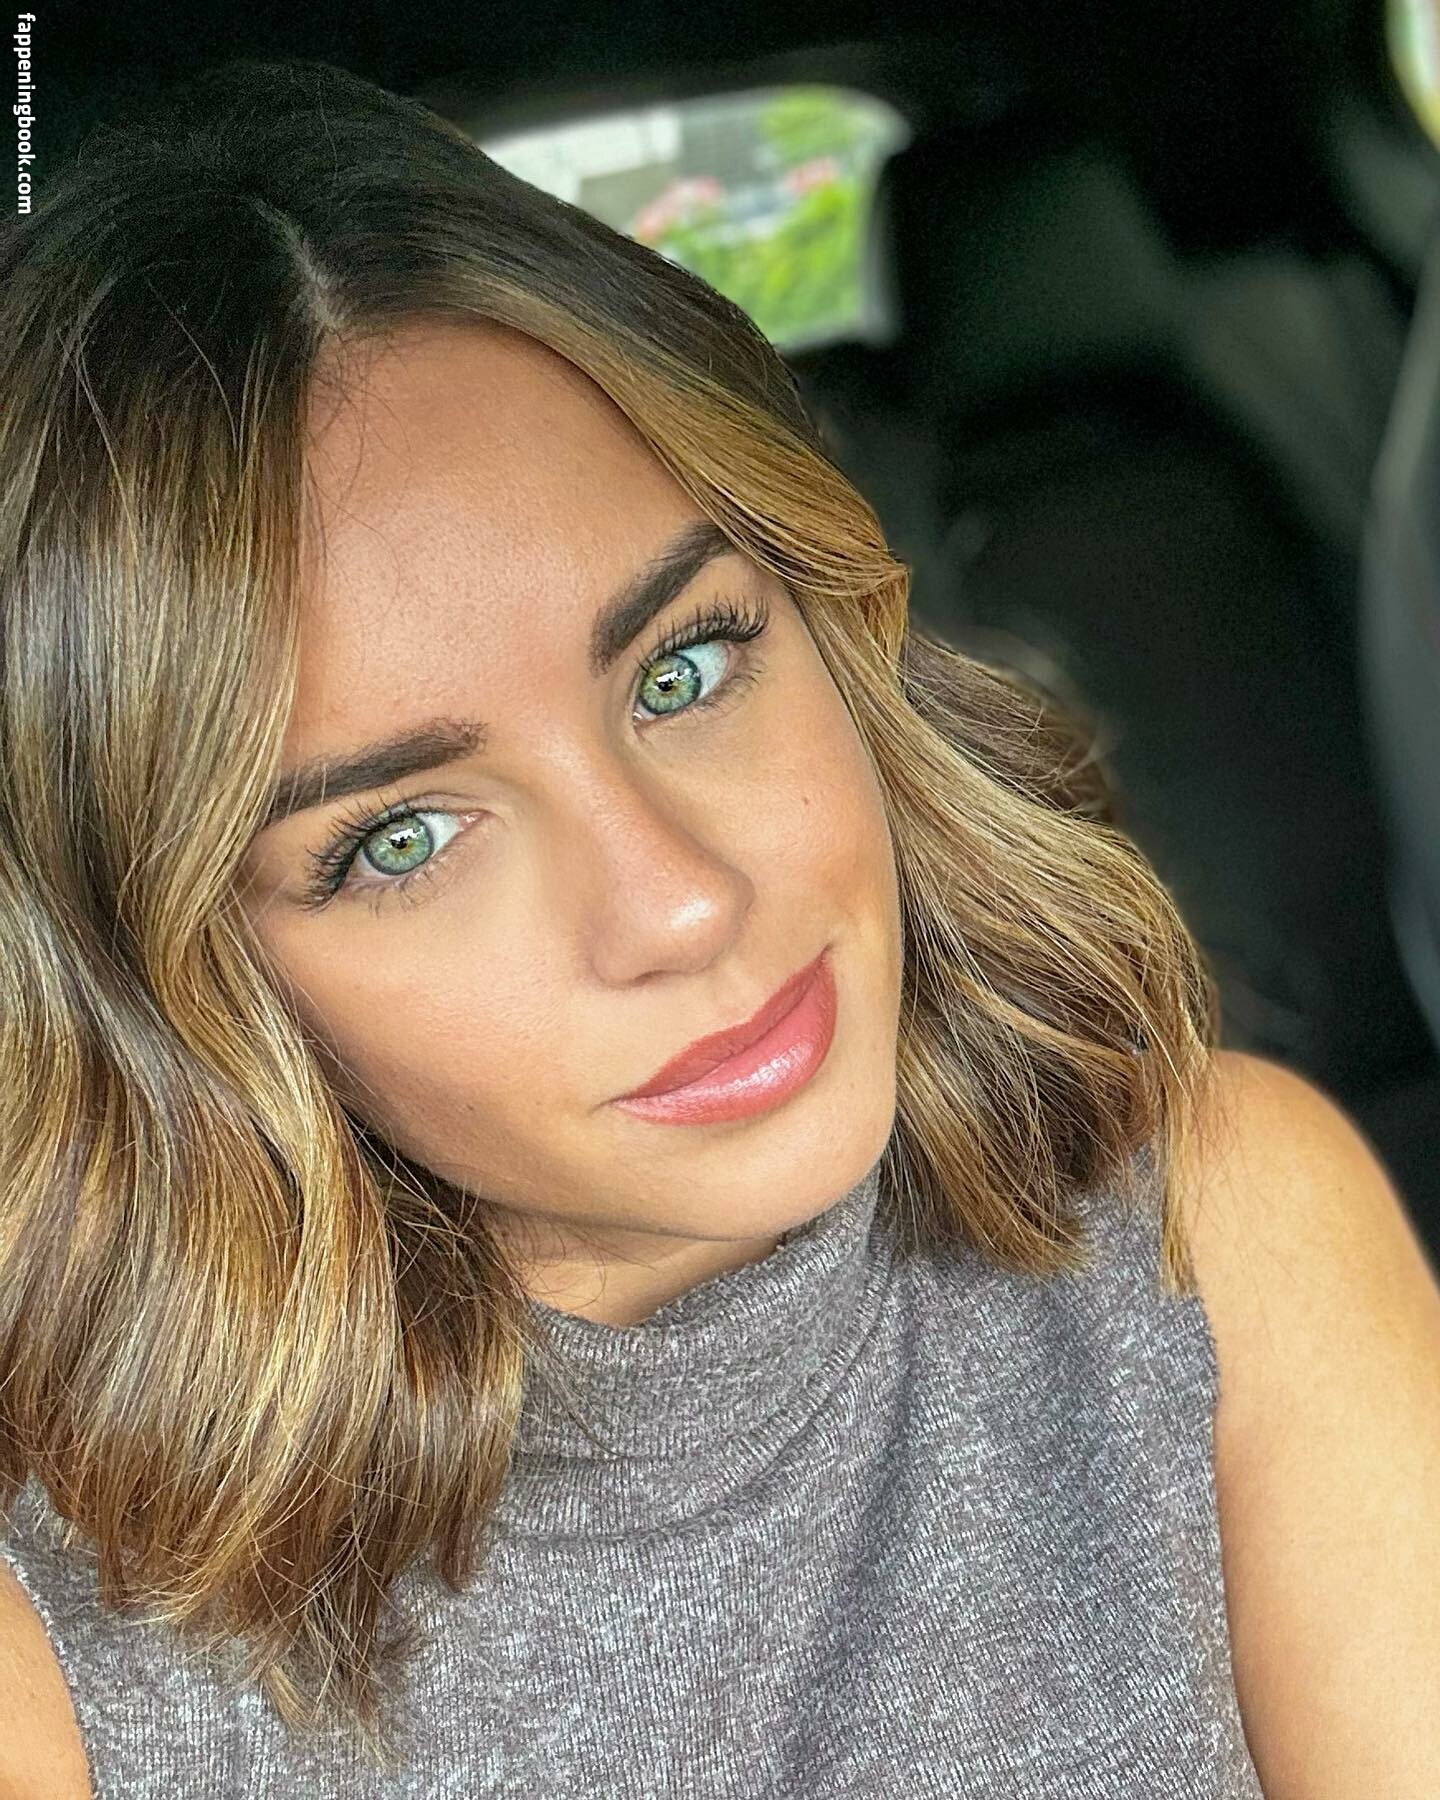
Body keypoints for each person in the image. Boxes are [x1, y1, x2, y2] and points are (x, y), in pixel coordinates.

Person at [1, 55, 1437, 1800]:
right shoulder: (65, 1644)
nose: (680, 902)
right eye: (401, 840)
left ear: (826, 612)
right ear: (169, 983)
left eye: (682, 669)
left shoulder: (1215, 1237)